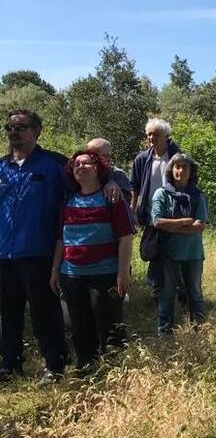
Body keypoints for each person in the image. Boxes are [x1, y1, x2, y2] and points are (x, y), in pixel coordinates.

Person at [0, 110, 71, 385]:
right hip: (5, 253)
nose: (14, 132)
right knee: (10, 311)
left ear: (37, 131)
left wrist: (112, 182)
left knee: (44, 311)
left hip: (39, 251)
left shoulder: (54, 164)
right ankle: (11, 364)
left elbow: (87, 177)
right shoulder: (2, 166)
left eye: (22, 127)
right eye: (10, 127)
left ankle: (54, 365)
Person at [49, 150, 134, 371]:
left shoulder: (112, 198)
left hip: (105, 273)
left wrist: (123, 272)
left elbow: (125, 237)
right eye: (76, 165)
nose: (80, 167)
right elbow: (61, 239)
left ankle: (116, 370)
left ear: (98, 169)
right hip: (72, 274)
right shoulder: (68, 202)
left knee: (109, 325)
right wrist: (55, 270)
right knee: (78, 325)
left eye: (86, 164)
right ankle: (86, 367)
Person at [151, 153, 207, 335]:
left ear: (191, 172)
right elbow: (158, 222)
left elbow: (199, 226)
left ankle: (200, 330)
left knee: (195, 293)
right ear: (171, 170)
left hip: (193, 253)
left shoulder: (198, 196)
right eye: (177, 166)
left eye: (185, 167)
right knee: (167, 294)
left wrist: (172, 226)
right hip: (169, 253)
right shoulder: (162, 193)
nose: (180, 170)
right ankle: (165, 333)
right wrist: (184, 221)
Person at [130, 118, 180, 300]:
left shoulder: (178, 157)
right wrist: (133, 212)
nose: (151, 137)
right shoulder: (142, 159)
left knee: (173, 252)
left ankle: (173, 291)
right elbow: (134, 187)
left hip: (174, 214)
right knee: (153, 251)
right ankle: (158, 291)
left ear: (166, 136)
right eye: (149, 134)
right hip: (151, 214)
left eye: (156, 134)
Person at [86, 138, 133, 205]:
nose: (91, 158)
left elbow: (126, 203)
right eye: (89, 154)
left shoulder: (117, 175)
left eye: (107, 156)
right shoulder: (81, 172)